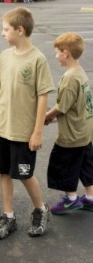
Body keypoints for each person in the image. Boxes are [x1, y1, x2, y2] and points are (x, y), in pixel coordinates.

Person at [0, 7, 55, 239]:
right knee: (3, 172)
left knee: (23, 174)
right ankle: (8, 215)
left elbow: (43, 96)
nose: (2, 34)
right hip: (3, 128)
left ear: (20, 30)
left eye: (6, 29)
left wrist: (38, 132)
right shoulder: (4, 57)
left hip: (24, 132)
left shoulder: (37, 60)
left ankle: (40, 209)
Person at [45, 32, 93, 214]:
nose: (56, 56)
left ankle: (71, 199)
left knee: (65, 165)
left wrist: (46, 117)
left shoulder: (69, 79)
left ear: (66, 53)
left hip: (72, 135)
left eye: (57, 52)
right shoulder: (80, 73)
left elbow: (61, 107)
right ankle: (90, 198)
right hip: (85, 131)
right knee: (86, 164)